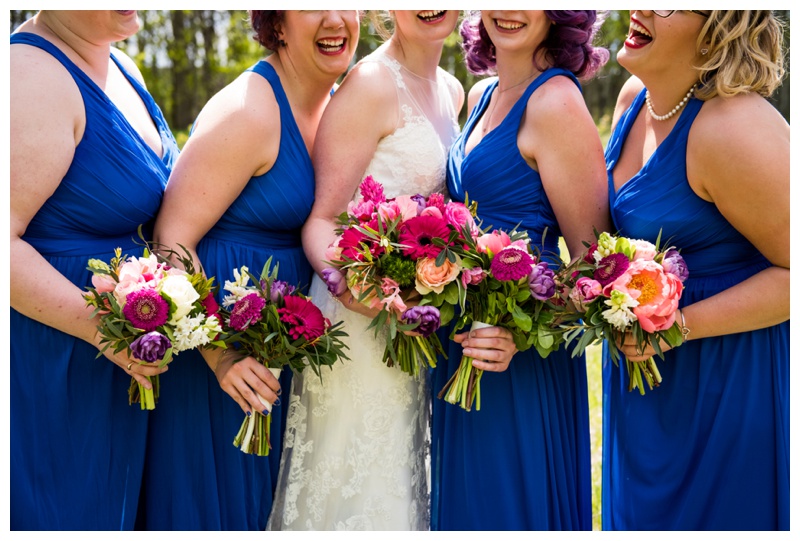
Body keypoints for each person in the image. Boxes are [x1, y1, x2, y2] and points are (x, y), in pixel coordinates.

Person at [141, 10, 360, 530]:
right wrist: (222, 357)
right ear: (277, 24)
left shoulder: (333, 108)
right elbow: (170, 242)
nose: (335, 18)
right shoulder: (250, 111)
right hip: (218, 368)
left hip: (280, 362)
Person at [267, 10, 469, 531]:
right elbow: (322, 220)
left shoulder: (452, 89)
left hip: (419, 320)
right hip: (358, 319)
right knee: (355, 484)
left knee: (402, 483)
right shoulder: (370, 84)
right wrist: (357, 286)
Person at [602, 10, 788, 530]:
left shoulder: (735, 127)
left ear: (716, 27)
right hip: (646, 386)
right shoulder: (632, 100)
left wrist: (677, 329)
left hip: (724, 384)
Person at [430, 10, 610, 530]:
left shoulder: (555, 101)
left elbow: (594, 271)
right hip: (465, 347)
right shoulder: (486, 94)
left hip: (522, 365)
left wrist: (522, 332)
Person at [10, 10, 178, 530]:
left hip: (121, 355)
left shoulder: (122, 63)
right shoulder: (28, 75)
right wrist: (105, 333)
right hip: (55, 359)